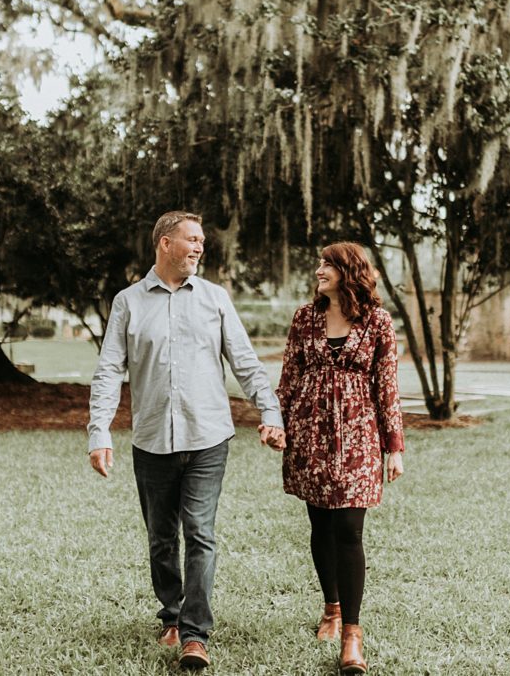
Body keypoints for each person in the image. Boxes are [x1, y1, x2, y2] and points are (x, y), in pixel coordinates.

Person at [87, 210, 285, 670]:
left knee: (199, 532)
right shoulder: (128, 303)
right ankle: (171, 614)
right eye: (191, 240)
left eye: (201, 242)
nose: (198, 247)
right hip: (152, 439)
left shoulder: (215, 299)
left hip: (208, 437)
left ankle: (195, 634)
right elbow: (108, 371)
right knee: (161, 538)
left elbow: (245, 362)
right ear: (165, 244)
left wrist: (269, 410)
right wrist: (99, 432)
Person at [270, 241, 405, 675]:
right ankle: (330, 606)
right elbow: (289, 376)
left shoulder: (378, 322)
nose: (318, 269)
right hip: (309, 435)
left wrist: (394, 447)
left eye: (327, 264)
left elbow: (387, 389)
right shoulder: (304, 318)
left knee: (349, 528)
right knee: (321, 524)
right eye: (319, 263)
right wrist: (277, 423)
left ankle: (351, 632)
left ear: (350, 271)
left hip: (359, 437)